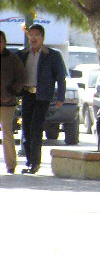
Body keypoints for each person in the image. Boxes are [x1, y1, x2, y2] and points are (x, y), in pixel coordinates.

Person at [16, 23, 67, 175]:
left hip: (42, 96)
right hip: (26, 94)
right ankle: (29, 161)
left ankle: (35, 163)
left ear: (42, 38)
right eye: (31, 35)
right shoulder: (22, 54)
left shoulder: (52, 55)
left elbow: (61, 77)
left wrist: (61, 97)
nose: (33, 38)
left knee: (36, 128)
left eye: (36, 35)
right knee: (26, 128)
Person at [1, 30, 26, 174]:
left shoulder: (13, 58)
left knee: (7, 133)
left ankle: (10, 164)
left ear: (4, 42)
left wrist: (11, 92)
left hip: (7, 101)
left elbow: (21, 77)